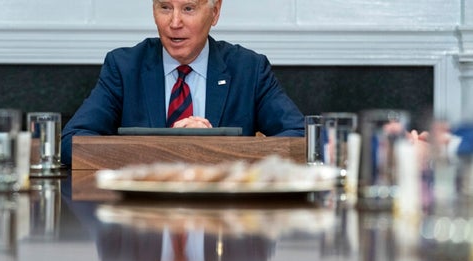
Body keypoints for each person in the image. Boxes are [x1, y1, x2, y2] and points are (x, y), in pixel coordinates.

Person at [60, 0, 305, 165]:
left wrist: (216, 152)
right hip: (143, 222)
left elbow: (301, 139)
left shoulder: (248, 69)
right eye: (165, 7)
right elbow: (72, 142)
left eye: (188, 8)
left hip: (225, 224)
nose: (175, 22)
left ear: (215, 12)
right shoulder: (125, 67)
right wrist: (169, 149)